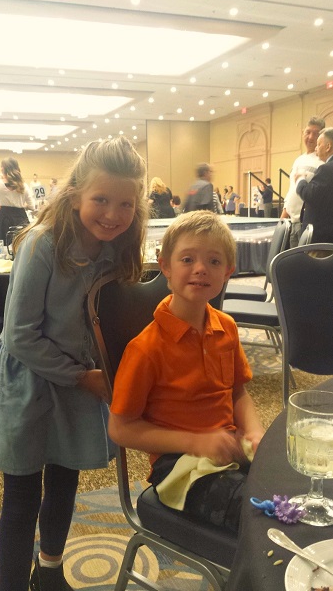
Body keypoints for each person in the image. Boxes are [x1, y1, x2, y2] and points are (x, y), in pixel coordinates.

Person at [0, 136, 148, 591]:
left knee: (65, 481)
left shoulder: (117, 247)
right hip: (31, 381)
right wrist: (83, 376)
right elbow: (21, 335)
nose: (112, 214)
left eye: (125, 204)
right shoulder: (43, 244)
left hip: (80, 383)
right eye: (101, 199)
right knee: (22, 494)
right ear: (75, 192)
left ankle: (50, 569)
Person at [109, 211, 265, 533]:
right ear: (164, 265)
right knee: (258, 514)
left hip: (230, 445)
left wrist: (255, 432)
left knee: (294, 483)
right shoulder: (146, 348)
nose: (200, 269)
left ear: (228, 272)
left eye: (213, 261)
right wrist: (196, 443)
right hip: (177, 464)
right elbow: (120, 429)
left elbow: (238, 392)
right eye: (187, 259)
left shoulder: (227, 328)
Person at [281, 116, 325, 247]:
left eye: (316, 134)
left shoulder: (322, 162)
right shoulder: (299, 160)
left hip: (306, 224)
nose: (311, 137)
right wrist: (284, 214)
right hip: (292, 222)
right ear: (303, 133)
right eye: (308, 132)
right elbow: (292, 191)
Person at [295, 127, 333, 242]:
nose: (316, 148)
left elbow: (310, 194)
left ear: (328, 147)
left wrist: (301, 179)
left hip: (321, 238)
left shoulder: (326, 169)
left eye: (319, 144)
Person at [0, 158, 35, 244]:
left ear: (3, 169)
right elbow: (32, 206)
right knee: (21, 244)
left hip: (4, 218)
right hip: (21, 218)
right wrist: (22, 205)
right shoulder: (24, 186)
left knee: (4, 245)